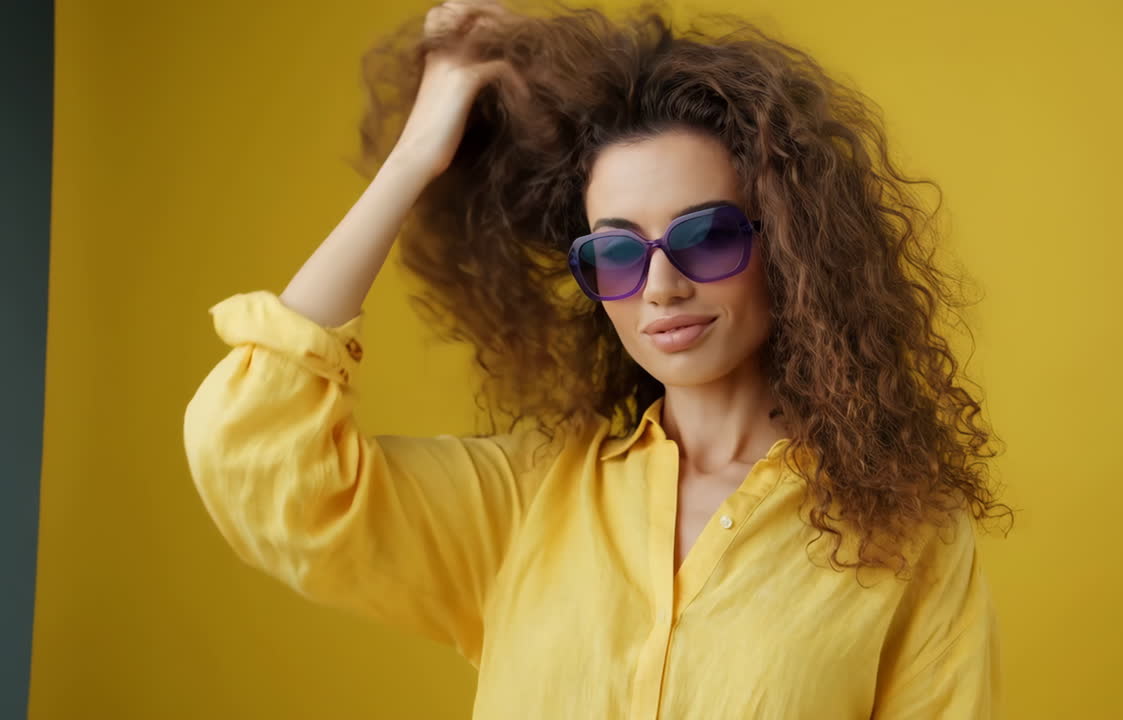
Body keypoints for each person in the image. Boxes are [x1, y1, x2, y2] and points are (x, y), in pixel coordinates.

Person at [183, 1, 1012, 717]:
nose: (660, 285)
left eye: (707, 236)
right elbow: (255, 451)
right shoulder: (525, 501)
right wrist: (416, 159)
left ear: (790, 247)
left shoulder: (910, 535)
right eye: (616, 254)